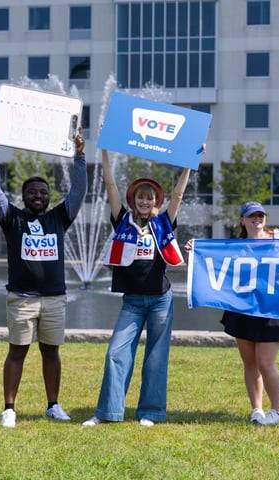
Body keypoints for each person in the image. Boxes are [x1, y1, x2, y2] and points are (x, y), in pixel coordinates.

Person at [185, 201, 279, 426]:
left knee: (265, 362)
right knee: (249, 362)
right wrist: (196, 248)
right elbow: (215, 263)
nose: (257, 219)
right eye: (251, 216)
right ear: (242, 220)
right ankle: (257, 410)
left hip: (274, 307)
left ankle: (277, 411)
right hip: (242, 308)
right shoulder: (235, 246)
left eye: (260, 215)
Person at [0, 126, 87, 428]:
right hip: (22, 298)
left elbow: (78, 191)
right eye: (32, 192)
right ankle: (9, 409)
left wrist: (80, 155)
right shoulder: (11, 217)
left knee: (51, 352)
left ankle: (53, 405)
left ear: (48, 196)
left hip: (54, 298)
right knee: (17, 351)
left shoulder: (59, 217)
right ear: (24, 196)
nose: (38, 196)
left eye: (43, 192)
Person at [82, 149, 191, 427]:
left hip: (160, 301)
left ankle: (151, 412)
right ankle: (108, 412)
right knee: (116, 353)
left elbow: (178, 195)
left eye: (150, 197)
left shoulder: (164, 221)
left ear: (156, 202)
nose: (145, 200)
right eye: (140, 196)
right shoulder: (122, 219)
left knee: (156, 357)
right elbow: (110, 185)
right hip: (132, 301)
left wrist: (189, 163)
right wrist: (103, 151)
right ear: (133, 200)